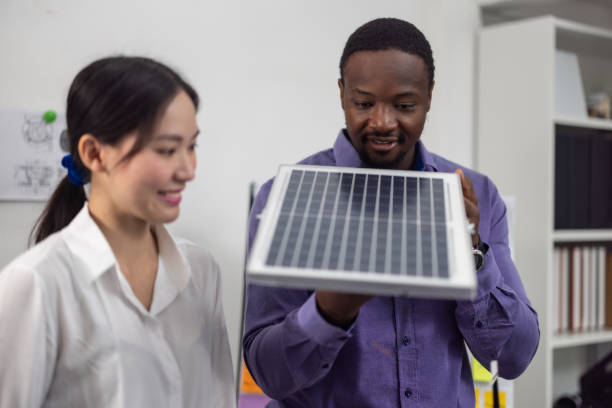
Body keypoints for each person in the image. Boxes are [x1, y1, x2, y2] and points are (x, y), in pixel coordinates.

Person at [243, 18, 540, 407]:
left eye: (404, 105)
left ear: (429, 96)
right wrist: (330, 311)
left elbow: (513, 357)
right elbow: (270, 375)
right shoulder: (284, 198)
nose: (382, 122)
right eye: (363, 103)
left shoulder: (477, 195)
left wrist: (472, 257)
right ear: (341, 93)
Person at [0, 56, 235, 407]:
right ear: (94, 153)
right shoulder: (35, 284)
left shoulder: (201, 271)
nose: (188, 170)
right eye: (168, 150)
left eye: (192, 146)